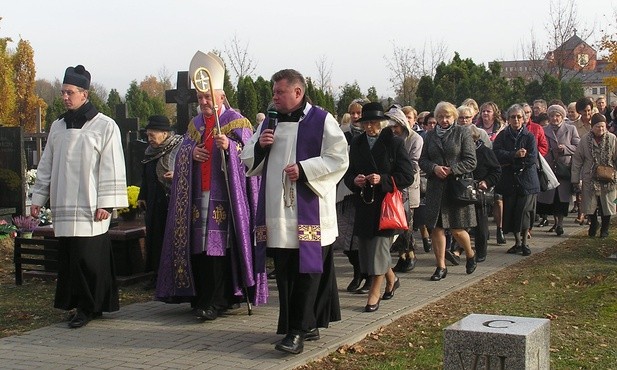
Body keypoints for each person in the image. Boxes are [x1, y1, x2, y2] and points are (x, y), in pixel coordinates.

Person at [241, 69, 348, 355]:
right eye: (273, 92)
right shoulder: (269, 122)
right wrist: (261, 148)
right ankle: (302, 324)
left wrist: (305, 169)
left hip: (311, 210)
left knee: (309, 272)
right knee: (287, 272)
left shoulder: (322, 120)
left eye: (279, 92)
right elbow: (247, 160)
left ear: (297, 92)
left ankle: (296, 332)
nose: (274, 97)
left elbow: (339, 158)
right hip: (279, 213)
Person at [155, 51, 267, 321]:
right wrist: (190, 154)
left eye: (209, 97)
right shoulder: (194, 125)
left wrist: (230, 147)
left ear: (221, 96)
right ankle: (201, 297)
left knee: (219, 248)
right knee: (199, 247)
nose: (204, 102)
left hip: (225, 198)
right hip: (197, 196)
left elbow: (251, 159)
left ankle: (221, 300)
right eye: (200, 97)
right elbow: (182, 152)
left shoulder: (238, 122)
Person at [30, 65, 128, 328]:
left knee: (89, 257)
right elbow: (46, 163)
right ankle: (77, 304)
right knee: (70, 257)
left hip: (91, 204)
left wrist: (107, 202)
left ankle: (90, 306)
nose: (64, 97)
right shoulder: (58, 126)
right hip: (64, 203)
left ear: (84, 94)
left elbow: (112, 165)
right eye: (62, 92)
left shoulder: (105, 126)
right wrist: (37, 198)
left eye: (69, 92)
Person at [344, 102, 414, 312]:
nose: (369, 127)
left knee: (378, 251)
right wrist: (354, 181)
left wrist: (382, 179)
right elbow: (348, 173)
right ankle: (392, 278)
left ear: (383, 123)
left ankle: (374, 294)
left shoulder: (394, 143)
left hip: (385, 207)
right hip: (364, 204)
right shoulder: (356, 144)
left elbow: (407, 176)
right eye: (366, 123)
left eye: (374, 123)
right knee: (367, 251)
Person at [419, 101, 477, 281]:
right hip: (436, 188)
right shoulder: (429, 136)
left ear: (454, 117)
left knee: (457, 229)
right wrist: (434, 168)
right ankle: (440, 266)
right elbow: (422, 160)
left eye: (447, 116)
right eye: (440, 117)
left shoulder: (462, 133)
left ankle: (470, 254)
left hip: (455, 187)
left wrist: (452, 169)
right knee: (436, 229)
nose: (444, 120)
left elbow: (471, 160)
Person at [137, 115, 182, 289]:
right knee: (154, 239)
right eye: (147, 135)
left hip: (171, 200)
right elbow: (145, 175)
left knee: (168, 238)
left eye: (152, 135)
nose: (149, 139)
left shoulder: (178, 147)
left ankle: (172, 276)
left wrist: (177, 174)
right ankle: (156, 275)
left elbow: (188, 170)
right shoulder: (150, 151)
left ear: (165, 133)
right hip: (154, 202)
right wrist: (142, 195)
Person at [493, 104, 540, 256]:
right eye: (513, 117)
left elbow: (532, 158)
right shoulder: (502, 136)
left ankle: (525, 242)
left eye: (519, 117)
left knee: (524, 211)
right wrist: (514, 155)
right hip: (510, 180)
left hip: (527, 180)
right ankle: (517, 242)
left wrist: (518, 161)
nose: (516, 120)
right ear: (508, 119)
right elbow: (497, 153)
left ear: (524, 119)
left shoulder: (529, 136)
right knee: (512, 211)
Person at [384, 105, 422, 273]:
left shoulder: (415, 139)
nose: (394, 130)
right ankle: (402, 255)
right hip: (392, 187)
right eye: (390, 127)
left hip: (408, 187)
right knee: (397, 224)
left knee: (407, 223)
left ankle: (410, 254)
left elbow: (414, 164)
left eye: (396, 126)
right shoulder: (388, 140)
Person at [571, 113, 617, 238]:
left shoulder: (612, 139)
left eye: (603, 126)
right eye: (597, 127)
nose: (600, 129)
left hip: (608, 177)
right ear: (592, 127)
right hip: (589, 176)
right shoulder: (585, 140)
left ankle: (605, 229)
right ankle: (594, 223)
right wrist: (575, 178)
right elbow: (577, 160)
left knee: (606, 204)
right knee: (590, 204)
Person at [536, 105, 580, 236]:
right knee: (551, 198)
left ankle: (560, 224)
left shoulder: (571, 129)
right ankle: (555, 223)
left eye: (557, 116)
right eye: (551, 116)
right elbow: (539, 146)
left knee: (562, 199)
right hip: (549, 168)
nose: (554, 118)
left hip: (563, 168)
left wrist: (565, 148)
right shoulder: (544, 130)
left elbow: (578, 146)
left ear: (562, 116)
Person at [476, 102, 506, 244]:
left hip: (498, 164)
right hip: (483, 166)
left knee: (497, 199)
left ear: (494, 113)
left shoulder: (501, 128)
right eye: (483, 111)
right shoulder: (477, 128)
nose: (485, 114)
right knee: (482, 201)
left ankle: (499, 228)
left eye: (488, 111)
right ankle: (483, 231)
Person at [570, 97, 595, 224]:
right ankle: (581, 213)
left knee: (592, 190)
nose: (587, 114)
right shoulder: (574, 126)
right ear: (579, 112)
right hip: (580, 160)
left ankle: (591, 215)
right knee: (579, 189)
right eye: (584, 111)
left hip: (594, 161)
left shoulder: (596, 123)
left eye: (589, 110)